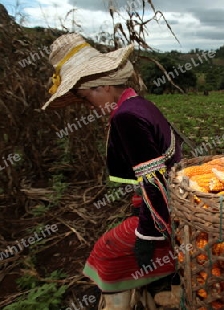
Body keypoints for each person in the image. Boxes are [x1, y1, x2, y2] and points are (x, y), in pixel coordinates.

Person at [42, 33, 182, 309]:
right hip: (170, 200)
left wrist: (147, 235)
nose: (88, 106)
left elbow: (154, 179)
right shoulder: (138, 104)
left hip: (167, 211)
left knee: (105, 252)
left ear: (103, 86)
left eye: (85, 98)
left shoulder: (125, 116)